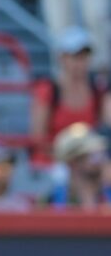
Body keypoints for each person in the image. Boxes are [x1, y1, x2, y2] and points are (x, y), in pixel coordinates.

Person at [30, 26, 111, 164]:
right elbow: (38, 138)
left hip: (86, 164)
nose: (81, 63)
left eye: (84, 57)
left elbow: (107, 126)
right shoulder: (48, 90)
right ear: (62, 58)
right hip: (53, 163)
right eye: (76, 57)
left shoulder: (98, 90)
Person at [49, 122, 111, 208]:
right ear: (73, 162)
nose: (101, 159)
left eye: (100, 154)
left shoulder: (107, 191)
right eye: (93, 155)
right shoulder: (52, 199)